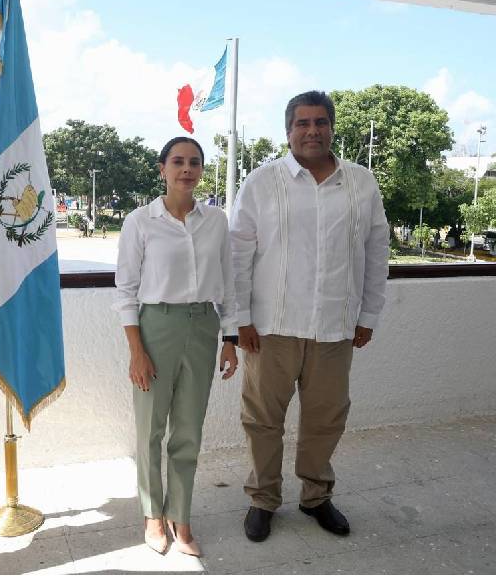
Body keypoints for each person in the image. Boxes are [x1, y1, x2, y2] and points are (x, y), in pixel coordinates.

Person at [229, 91, 390, 542]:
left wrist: (369, 313)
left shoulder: (362, 182)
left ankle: (316, 496)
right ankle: (263, 499)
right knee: (263, 420)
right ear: (288, 131)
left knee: (326, 417)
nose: (312, 130)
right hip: (270, 328)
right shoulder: (262, 182)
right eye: (302, 123)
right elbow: (238, 254)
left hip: (335, 327)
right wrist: (239, 318)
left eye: (320, 122)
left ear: (332, 127)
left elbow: (377, 252)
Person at [114, 136, 239, 557]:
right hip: (156, 327)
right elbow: (126, 290)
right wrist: (137, 350)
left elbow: (228, 283)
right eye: (178, 161)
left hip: (203, 326)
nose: (187, 169)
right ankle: (153, 513)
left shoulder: (216, 221)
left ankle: (180, 516)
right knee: (150, 427)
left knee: (188, 428)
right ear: (162, 168)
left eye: (195, 162)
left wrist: (231, 338)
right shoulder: (140, 221)